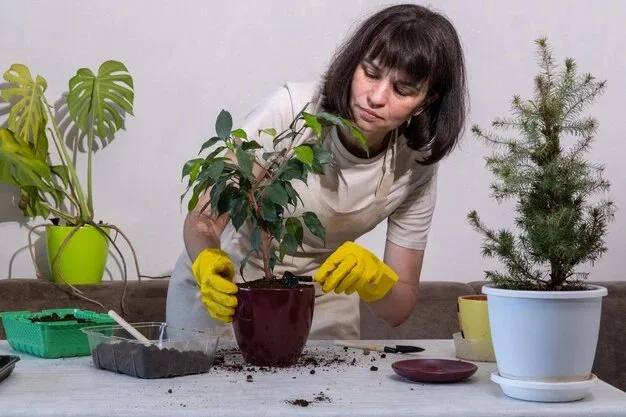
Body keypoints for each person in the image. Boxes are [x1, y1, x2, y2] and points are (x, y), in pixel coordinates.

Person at [166, 3, 467, 339]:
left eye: (403, 90)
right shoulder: (295, 111)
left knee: (323, 391)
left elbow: (398, 309)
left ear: (426, 101)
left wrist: (374, 279)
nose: (377, 97)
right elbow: (204, 219)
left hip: (319, 298)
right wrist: (207, 260)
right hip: (226, 286)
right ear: (354, 63)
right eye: (370, 72)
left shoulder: (415, 165)